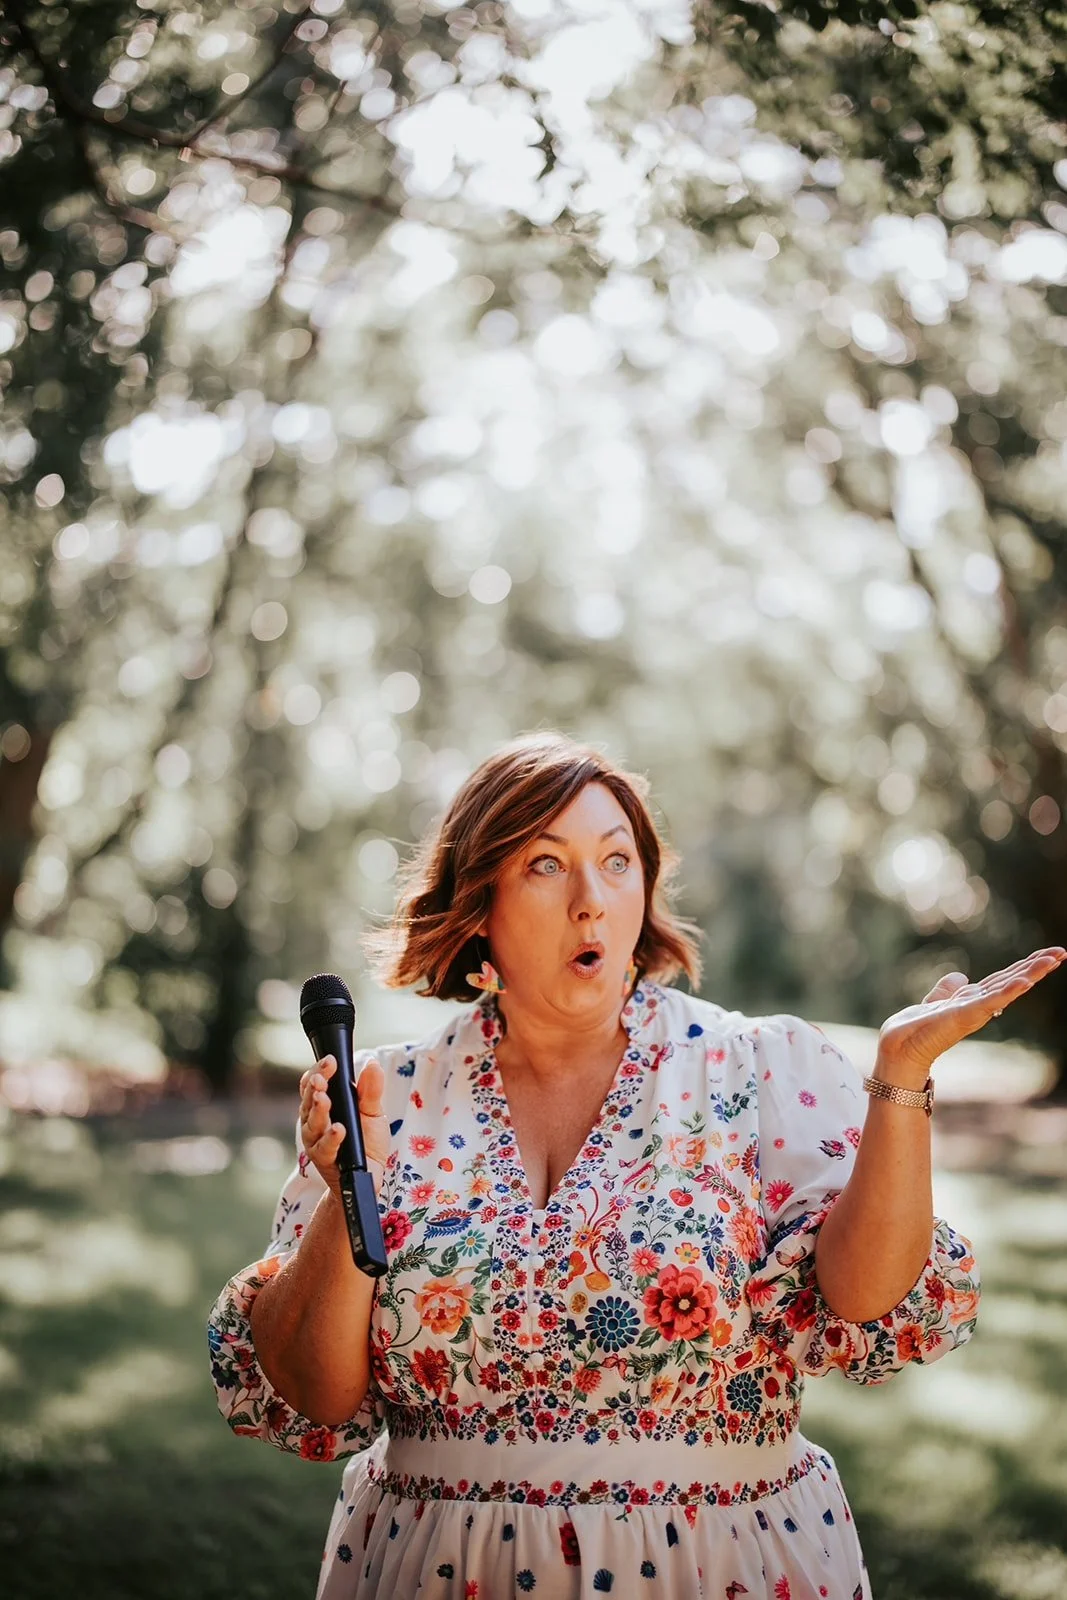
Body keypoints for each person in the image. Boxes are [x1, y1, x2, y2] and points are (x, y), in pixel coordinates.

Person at [208, 731, 1064, 1599]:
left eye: (616, 862)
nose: (591, 901)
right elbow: (313, 1389)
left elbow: (867, 1292)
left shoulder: (757, 1069)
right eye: (546, 865)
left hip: (716, 1565)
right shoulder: (383, 1093)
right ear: (479, 904)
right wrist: (344, 1191)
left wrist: (901, 1078)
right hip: (435, 1567)